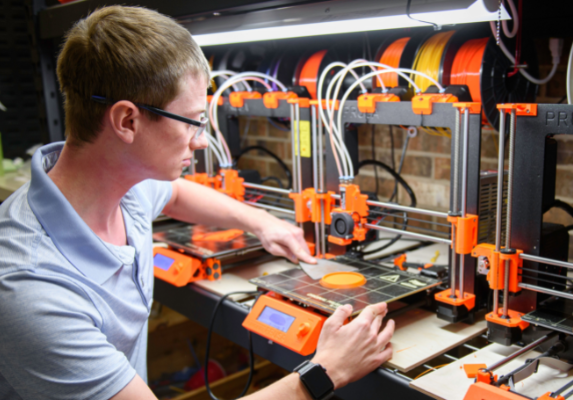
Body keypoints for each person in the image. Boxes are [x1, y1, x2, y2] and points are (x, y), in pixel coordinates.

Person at [0, 5, 394, 400]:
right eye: (193, 121)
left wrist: (261, 222)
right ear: (127, 122)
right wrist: (327, 372)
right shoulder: (33, 290)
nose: (202, 140)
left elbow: (176, 195)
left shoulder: (116, 180)